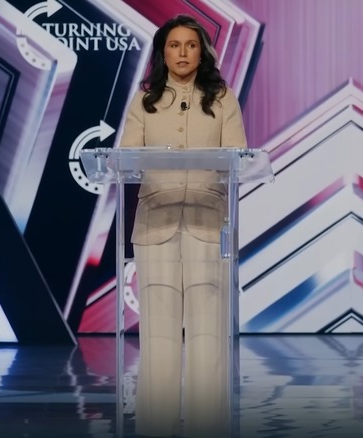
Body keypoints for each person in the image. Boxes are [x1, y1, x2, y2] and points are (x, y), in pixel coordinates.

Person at [118, 14, 247, 437]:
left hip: (208, 223)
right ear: (163, 52)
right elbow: (126, 158)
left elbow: (239, 158)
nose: (182, 53)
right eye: (174, 45)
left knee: (208, 329)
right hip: (156, 222)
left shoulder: (223, 97)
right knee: (159, 331)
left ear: (202, 51)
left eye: (190, 45)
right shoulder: (145, 99)